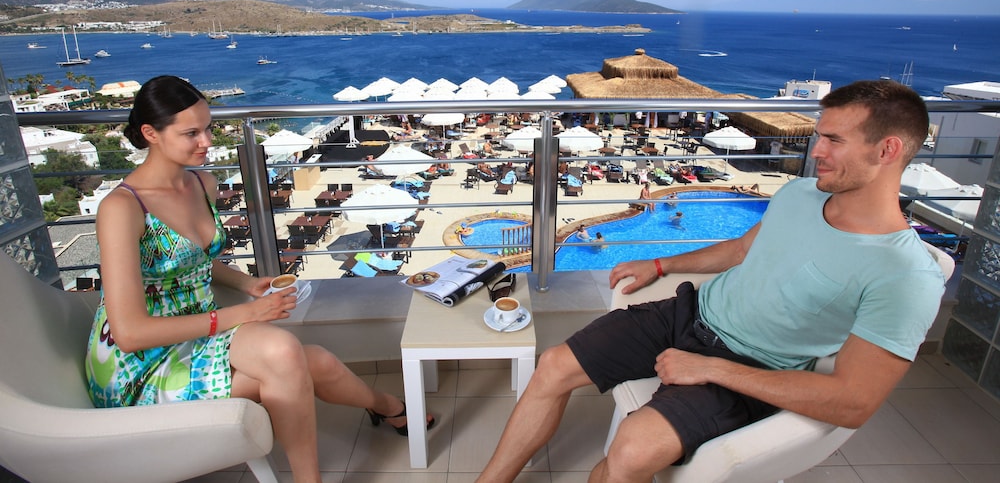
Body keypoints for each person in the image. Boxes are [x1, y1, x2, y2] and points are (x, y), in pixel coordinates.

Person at [476, 80, 947, 483]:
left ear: (887, 150)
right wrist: (661, 265)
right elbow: (740, 250)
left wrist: (710, 369)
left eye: (834, 141)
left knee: (632, 451)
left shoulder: (904, 275)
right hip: (691, 313)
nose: (816, 151)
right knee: (553, 365)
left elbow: (853, 403)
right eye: (819, 136)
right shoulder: (801, 194)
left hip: (752, 365)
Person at [84, 76, 433, 483]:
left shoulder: (202, 183)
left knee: (307, 360)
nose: (207, 141)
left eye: (209, 128)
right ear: (150, 134)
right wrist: (245, 314)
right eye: (191, 133)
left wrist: (245, 284)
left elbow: (189, 262)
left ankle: (387, 408)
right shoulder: (122, 208)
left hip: (197, 336)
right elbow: (130, 333)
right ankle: (380, 417)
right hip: (141, 365)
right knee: (286, 354)